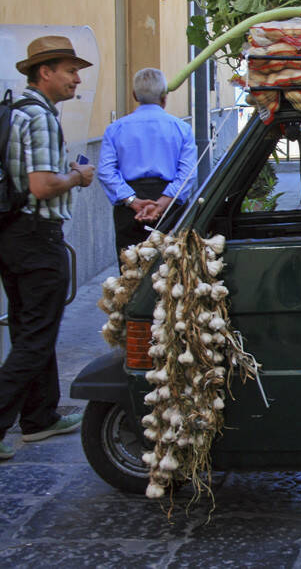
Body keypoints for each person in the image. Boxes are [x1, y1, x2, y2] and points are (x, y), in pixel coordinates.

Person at [0, 36, 97, 460]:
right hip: (38, 239)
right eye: (70, 70)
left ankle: (39, 418)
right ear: (45, 72)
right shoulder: (39, 117)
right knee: (36, 338)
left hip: (14, 236)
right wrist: (78, 177)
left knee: (29, 330)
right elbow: (41, 186)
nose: (77, 79)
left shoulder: (18, 112)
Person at [97, 68, 197, 256]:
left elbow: (105, 171)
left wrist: (132, 200)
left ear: (135, 95)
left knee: (131, 271)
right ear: (164, 97)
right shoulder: (182, 128)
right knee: (173, 271)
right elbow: (188, 173)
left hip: (130, 209)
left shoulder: (115, 129)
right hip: (171, 205)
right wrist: (161, 204)